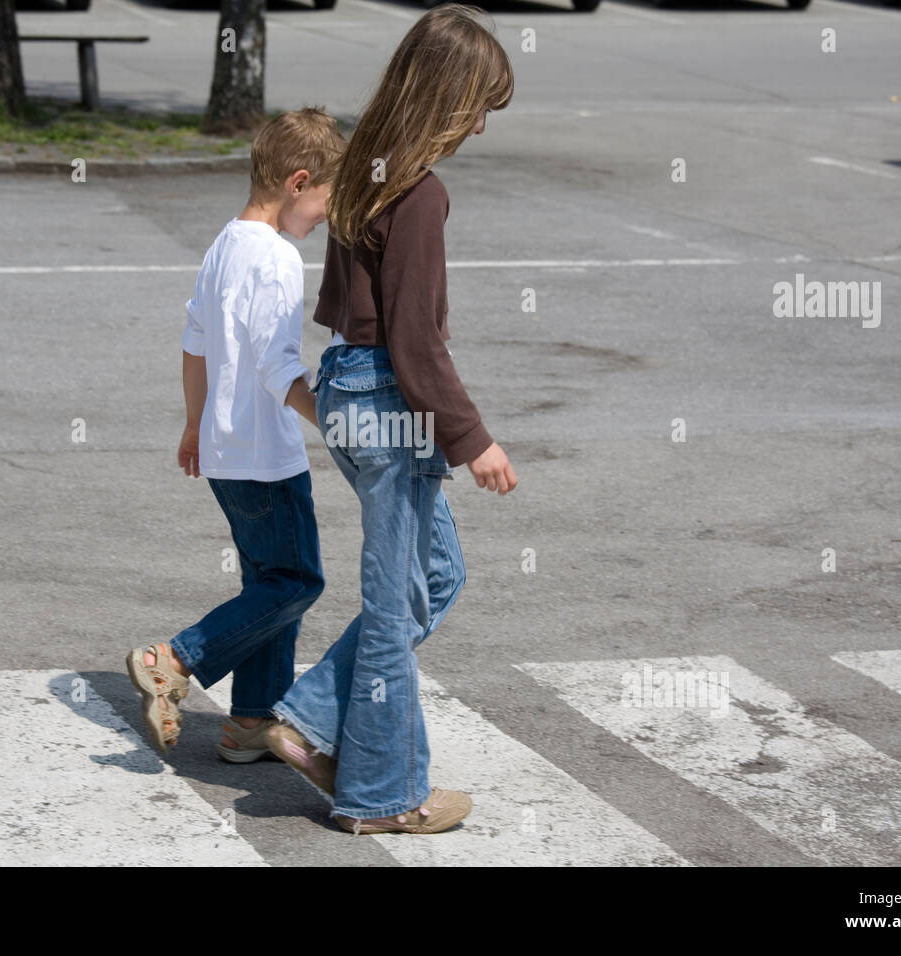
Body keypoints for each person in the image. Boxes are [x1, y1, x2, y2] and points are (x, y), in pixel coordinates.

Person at [265, 6, 519, 835]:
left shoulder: (367, 170)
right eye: (480, 104)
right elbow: (413, 340)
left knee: (428, 582)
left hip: (347, 382)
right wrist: (471, 439)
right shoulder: (420, 193)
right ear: (446, 97)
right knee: (393, 599)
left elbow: (344, 307)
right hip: (388, 402)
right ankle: (383, 792)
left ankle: (310, 720)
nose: (482, 125)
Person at [127, 108, 346, 763]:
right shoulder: (276, 258)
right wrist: (334, 425)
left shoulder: (224, 244)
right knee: (297, 583)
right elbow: (281, 366)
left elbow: (194, 344)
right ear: (297, 182)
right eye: (326, 203)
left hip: (225, 451)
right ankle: (175, 660)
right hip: (266, 457)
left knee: (268, 588)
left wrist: (194, 423)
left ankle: (250, 720)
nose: (327, 219)